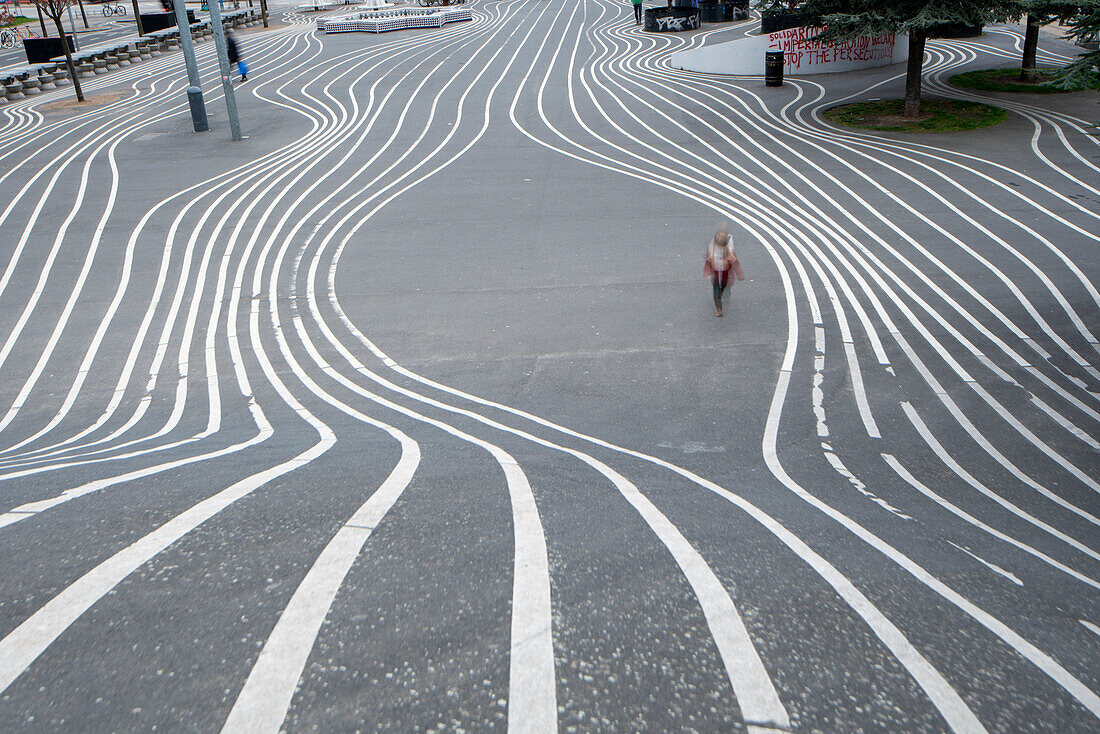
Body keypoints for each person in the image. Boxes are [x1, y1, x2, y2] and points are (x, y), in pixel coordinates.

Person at [703, 223, 743, 317]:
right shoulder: (712, 246)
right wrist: (706, 271)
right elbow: (708, 260)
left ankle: (722, 292)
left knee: (724, 285)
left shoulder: (728, 247)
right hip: (715, 270)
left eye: (722, 236)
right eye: (719, 235)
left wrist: (739, 272)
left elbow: (735, 261)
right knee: (716, 287)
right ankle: (718, 308)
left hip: (725, 270)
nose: (720, 238)